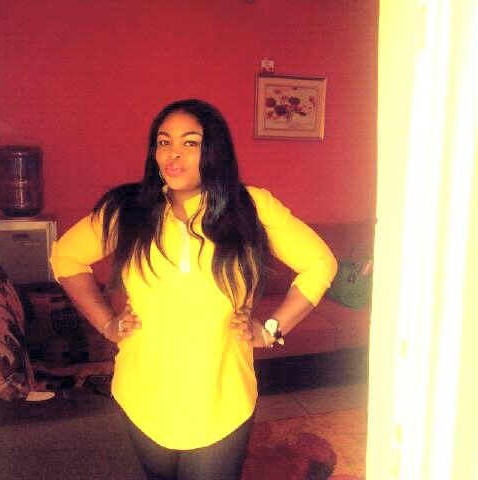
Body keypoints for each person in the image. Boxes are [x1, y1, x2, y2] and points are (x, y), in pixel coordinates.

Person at [49, 99, 337, 480]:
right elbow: (65, 257)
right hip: (143, 395)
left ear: (214, 150)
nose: (173, 154)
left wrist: (270, 330)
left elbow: (320, 263)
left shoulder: (250, 207)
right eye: (163, 142)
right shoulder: (128, 210)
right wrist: (106, 323)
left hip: (222, 398)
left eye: (190, 142)